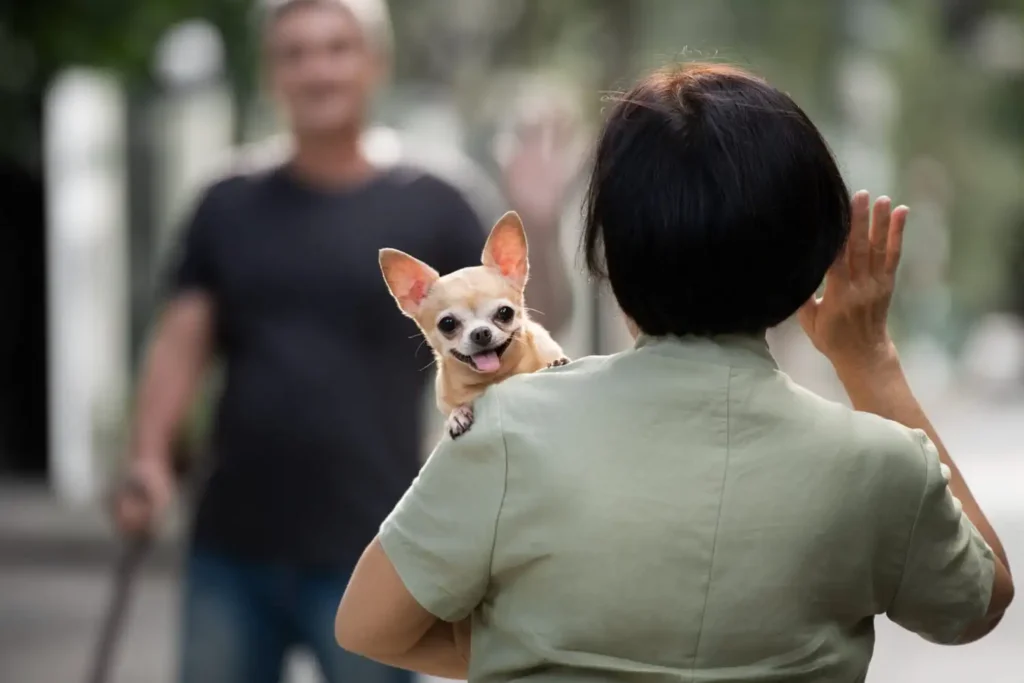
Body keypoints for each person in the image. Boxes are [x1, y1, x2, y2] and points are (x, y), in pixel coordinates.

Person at [334, 63, 1015, 682]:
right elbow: (979, 601)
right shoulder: (882, 465)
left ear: (610, 256)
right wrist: (870, 361)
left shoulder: (503, 430)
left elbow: (366, 626)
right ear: (809, 256)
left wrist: (521, 650)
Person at [112, 1, 576, 682]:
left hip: (378, 545)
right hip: (233, 542)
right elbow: (182, 342)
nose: (317, 70)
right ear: (271, 73)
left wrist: (539, 220)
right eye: (295, 53)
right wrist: (148, 458)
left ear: (374, 63)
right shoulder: (225, 201)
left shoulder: (437, 199)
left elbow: (531, 321)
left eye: (336, 48)